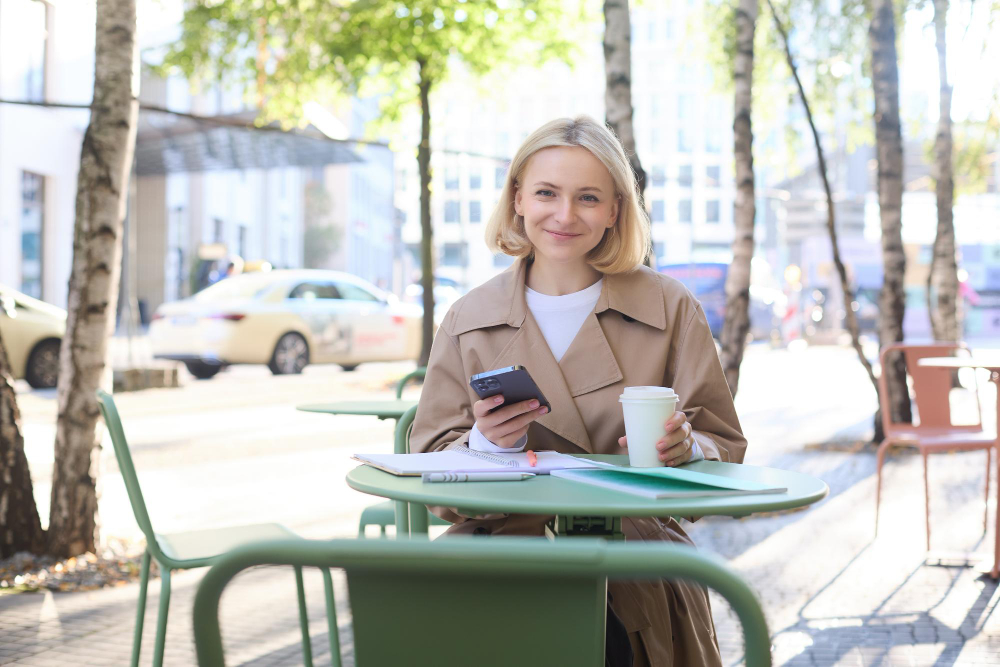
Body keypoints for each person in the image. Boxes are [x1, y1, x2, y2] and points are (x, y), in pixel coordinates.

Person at [410, 116, 747, 666]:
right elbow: (428, 467)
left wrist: (688, 452)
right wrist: (488, 446)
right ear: (517, 198)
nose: (565, 215)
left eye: (588, 197)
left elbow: (723, 443)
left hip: (629, 561)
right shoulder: (469, 318)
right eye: (546, 193)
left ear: (616, 208)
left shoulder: (669, 306)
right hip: (499, 555)